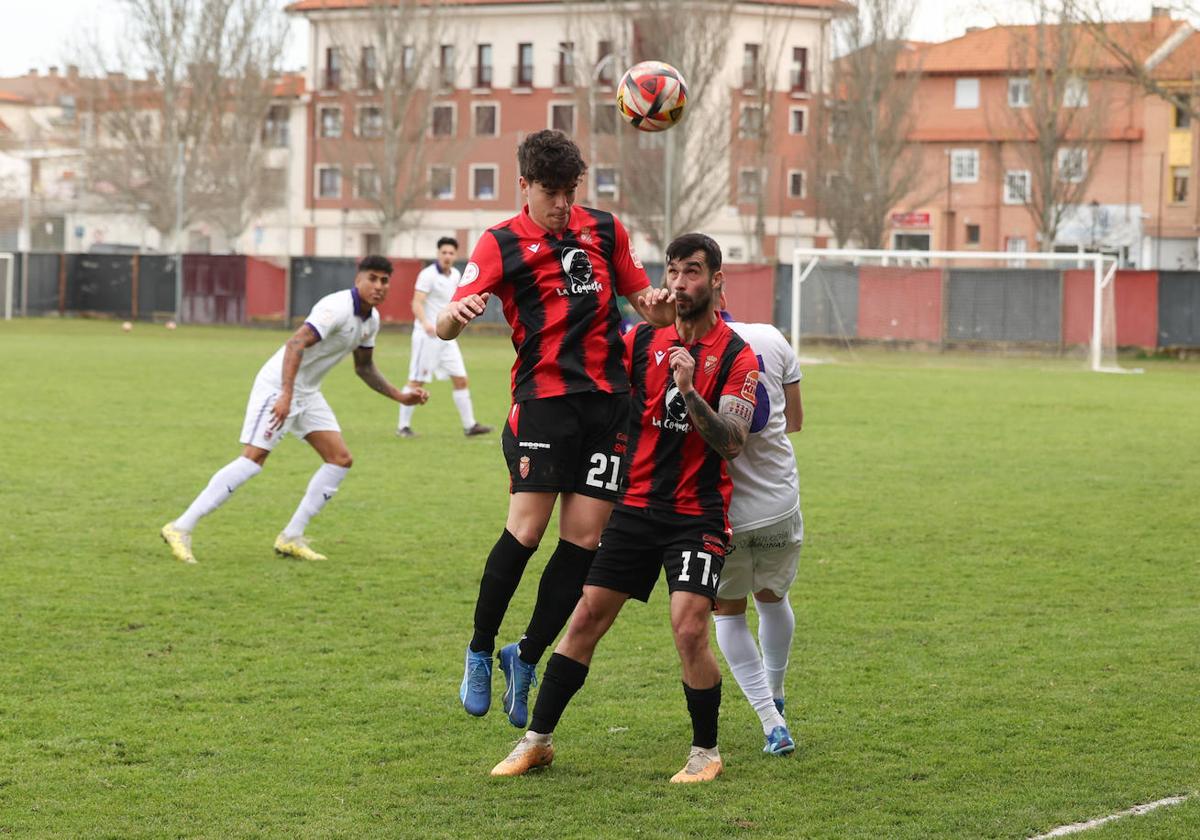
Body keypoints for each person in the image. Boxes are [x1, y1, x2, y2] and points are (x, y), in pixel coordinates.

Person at [490, 232, 760, 783]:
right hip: (633, 507)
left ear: (717, 281)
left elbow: (733, 440)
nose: (681, 283)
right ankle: (536, 741)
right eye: (674, 271)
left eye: (693, 272)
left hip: (698, 515)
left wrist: (689, 391)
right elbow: (581, 381)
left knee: (688, 629)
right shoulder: (639, 343)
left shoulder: (737, 355)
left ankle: (705, 752)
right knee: (586, 617)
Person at [437, 129, 675, 728]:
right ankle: (480, 648)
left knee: (584, 542)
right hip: (544, 402)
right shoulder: (499, 243)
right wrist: (454, 317)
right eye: (550, 192)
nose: (562, 204)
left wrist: (661, 305)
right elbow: (445, 320)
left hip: (608, 405)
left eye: (570, 192)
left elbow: (643, 299)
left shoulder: (605, 229)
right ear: (524, 186)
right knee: (526, 529)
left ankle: (527, 654)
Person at [160, 256, 428, 564]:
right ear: (358, 279)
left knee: (340, 460)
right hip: (278, 386)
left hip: (307, 392)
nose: (379, 286)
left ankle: (290, 537)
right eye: (373, 278)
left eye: (385, 281)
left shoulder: (371, 320)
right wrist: (285, 394)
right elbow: (295, 345)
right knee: (253, 459)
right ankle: (180, 527)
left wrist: (400, 396)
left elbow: (364, 367)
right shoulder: (336, 307)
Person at [712, 292, 804, 758]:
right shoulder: (771, 337)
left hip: (725, 509)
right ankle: (778, 693)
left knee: (727, 612)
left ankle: (772, 721)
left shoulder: (692, 350)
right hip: (779, 500)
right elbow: (797, 421)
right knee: (773, 600)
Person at [397, 236, 492, 438]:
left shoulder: (456, 274)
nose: (447, 256)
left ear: (455, 255)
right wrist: (426, 324)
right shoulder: (427, 275)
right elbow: (417, 303)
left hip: (447, 339)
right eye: (444, 252)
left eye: (451, 253)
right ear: (438, 254)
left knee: (461, 379)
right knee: (416, 381)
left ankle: (470, 426)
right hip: (427, 337)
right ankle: (403, 426)